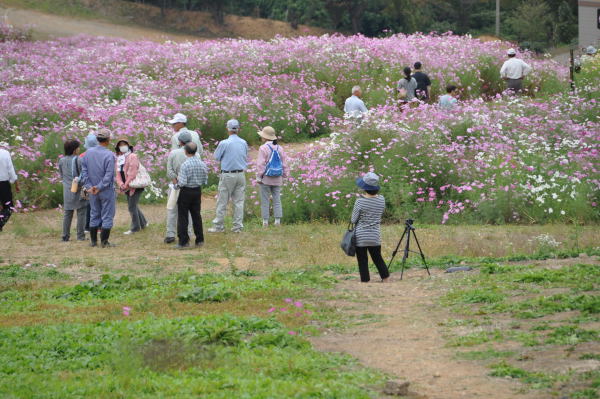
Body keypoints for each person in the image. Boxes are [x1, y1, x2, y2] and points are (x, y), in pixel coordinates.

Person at [209, 119, 248, 233]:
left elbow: (216, 157)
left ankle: (218, 226)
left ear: (228, 129)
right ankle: (237, 227)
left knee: (222, 201)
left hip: (228, 174)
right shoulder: (243, 142)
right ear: (238, 129)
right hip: (241, 174)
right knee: (239, 202)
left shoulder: (224, 143)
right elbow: (245, 155)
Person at [351, 172, 390, 283]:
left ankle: (365, 281)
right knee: (377, 258)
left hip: (361, 236)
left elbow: (353, 220)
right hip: (375, 235)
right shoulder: (381, 199)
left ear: (364, 188)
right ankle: (385, 278)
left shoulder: (360, 201)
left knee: (362, 260)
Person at [80, 129, 116, 248]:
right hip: (105, 189)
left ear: (97, 139)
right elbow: (109, 175)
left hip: (92, 190)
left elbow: (84, 172)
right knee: (107, 214)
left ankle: (93, 241)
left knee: (94, 213)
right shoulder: (109, 155)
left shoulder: (87, 153)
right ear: (108, 140)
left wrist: (90, 186)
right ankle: (104, 242)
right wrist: (99, 186)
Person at [176, 142, 208, 249]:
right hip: (197, 191)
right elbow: (205, 179)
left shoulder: (185, 164)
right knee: (196, 215)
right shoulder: (202, 163)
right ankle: (200, 239)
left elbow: (182, 182)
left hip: (186, 191)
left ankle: (184, 241)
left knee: (183, 216)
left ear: (185, 151)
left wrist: (176, 186)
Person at [164, 130, 194, 243]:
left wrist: (175, 180)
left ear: (180, 142)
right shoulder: (196, 154)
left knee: (172, 209)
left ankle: (170, 234)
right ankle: (189, 232)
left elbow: (169, 170)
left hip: (175, 185)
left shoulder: (173, 153)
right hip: (189, 186)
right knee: (188, 211)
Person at [256, 126, 288, 227]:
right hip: (277, 178)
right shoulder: (280, 148)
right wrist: (285, 175)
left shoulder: (263, 148)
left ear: (265, 137)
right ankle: (277, 221)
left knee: (265, 200)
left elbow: (261, 164)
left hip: (266, 178)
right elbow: (284, 164)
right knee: (277, 199)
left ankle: (265, 222)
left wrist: (259, 177)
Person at [115, 138, 147, 235]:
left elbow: (132, 172)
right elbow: (118, 174)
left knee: (131, 206)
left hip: (135, 185)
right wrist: (121, 184)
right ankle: (143, 223)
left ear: (128, 146)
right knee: (133, 205)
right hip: (126, 186)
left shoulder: (132, 156)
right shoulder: (119, 158)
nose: (122, 146)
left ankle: (135, 228)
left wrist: (126, 184)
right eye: (120, 145)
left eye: (124, 144)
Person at [59, 140, 87, 242]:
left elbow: (61, 175)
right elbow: (84, 175)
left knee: (67, 213)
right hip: (81, 189)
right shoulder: (80, 160)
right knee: (82, 212)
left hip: (67, 190)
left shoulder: (61, 161)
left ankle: (65, 236)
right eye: (78, 147)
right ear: (75, 150)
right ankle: (80, 236)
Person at [79, 133, 99, 232]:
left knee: (87, 205)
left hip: (85, 184)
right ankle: (97, 227)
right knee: (97, 205)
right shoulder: (100, 154)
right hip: (97, 184)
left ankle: (87, 226)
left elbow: (80, 172)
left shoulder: (82, 156)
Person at [0, 146, 19, 232]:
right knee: (9, 207)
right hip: (3, 184)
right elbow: (11, 170)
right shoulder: (5, 153)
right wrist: (16, 184)